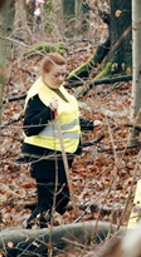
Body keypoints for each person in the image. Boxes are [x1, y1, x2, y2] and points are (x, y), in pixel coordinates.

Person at [21, 53, 94, 228]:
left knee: (61, 199)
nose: (61, 79)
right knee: (46, 204)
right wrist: (48, 111)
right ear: (44, 74)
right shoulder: (38, 96)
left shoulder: (58, 89)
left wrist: (88, 125)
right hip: (43, 155)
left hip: (62, 153)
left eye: (64, 74)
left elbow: (64, 117)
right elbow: (29, 128)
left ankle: (43, 232)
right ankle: (33, 236)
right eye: (56, 75)